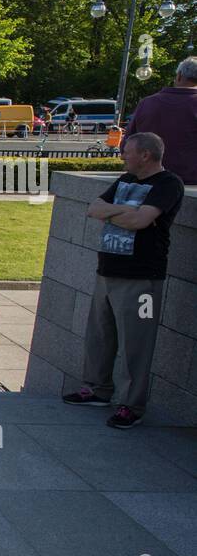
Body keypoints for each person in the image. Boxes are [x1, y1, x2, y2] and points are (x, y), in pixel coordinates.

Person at [63, 132, 185, 428]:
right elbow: (94, 208)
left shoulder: (168, 184)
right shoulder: (124, 180)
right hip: (107, 271)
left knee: (136, 344)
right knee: (99, 336)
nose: (122, 156)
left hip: (141, 278)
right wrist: (128, 211)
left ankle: (131, 406)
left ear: (145, 154)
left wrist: (117, 214)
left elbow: (140, 222)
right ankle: (97, 390)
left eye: (126, 151)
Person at [123, 56, 197, 184]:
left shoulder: (147, 103)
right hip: (191, 180)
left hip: (148, 178)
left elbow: (127, 143)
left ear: (179, 76)